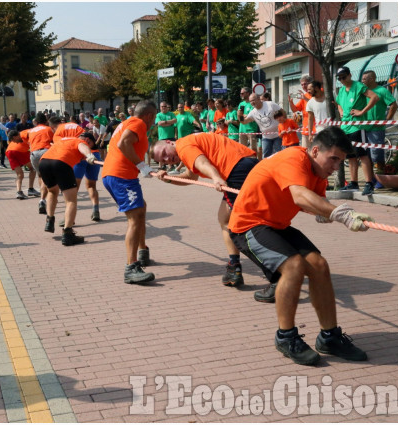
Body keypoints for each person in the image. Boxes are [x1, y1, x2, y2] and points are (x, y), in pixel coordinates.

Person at [228, 127, 373, 365]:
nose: (336, 166)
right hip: (249, 224)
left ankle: (329, 337)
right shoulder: (293, 158)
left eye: (341, 162)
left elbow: (312, 202)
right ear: (315, 150)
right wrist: (341, 214)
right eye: (333, 159)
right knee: (293, 267)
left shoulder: (318, 172)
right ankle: (286, 337)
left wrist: (323, 212)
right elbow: (299, 195)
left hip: (276, 224)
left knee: (319, 265)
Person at [153, 133, 258, 286]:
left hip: (236, 170)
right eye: (163, 161)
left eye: (164, 153)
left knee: (239, 222)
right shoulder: (187, 146)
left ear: (169, 142)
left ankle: (270, 267)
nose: (168, 159)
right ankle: (234, 266)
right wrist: (169, 179)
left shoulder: (183, 146)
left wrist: (215, 177)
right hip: (247, 163)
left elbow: (202, 163)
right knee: (225, 218)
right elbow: (191, 177)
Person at [101, 100, 158, 284]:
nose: (153, 122)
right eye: (154, 118)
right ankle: (131, 267)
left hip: (119, 175)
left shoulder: (125, 123)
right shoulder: (138, 123)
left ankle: (142, 251)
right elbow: (124, 143)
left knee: (141, 208)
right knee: (134, 218)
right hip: (121, 176)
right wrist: (141, 165)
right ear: (149, 116)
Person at [39, 132, 96, 246]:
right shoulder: (80, 141)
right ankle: (67, 234)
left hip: (44, 162)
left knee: (52, 191)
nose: (90, 146)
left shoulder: (63, 141)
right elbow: (82, 147)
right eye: (91, 144)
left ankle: (49, 220)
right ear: (87, 140)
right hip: (61, 163)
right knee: (71, 200)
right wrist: (89, 155)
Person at [335, 66, 379, 196]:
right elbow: (338, 103)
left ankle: (369, 183)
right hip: (345, 128)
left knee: (363, 154)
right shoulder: (342, 91)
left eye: (344, 77)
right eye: (340, 78)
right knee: (350, 156)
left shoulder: (359, 86)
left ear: (350, 75)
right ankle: (353, 183)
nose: (342, 80)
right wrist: (341, 111)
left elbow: (374, 97)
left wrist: (362, 111)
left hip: (358, 127)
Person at [361, 70, 397, 187]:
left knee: (377, 155)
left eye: (364, 79)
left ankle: (381, 178)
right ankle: (371, 179)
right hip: (363, 128)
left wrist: (386, 120)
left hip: (376, 128)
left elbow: (393, 104)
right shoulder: (364, 92)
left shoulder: (382, 91)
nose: (362, 81)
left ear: (372, 79)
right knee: (367, 156)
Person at [5, 130, 34, 199]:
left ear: (15, 136)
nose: (13, 142)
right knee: (33, 168)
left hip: (9, 152)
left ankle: (19, 192)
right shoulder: (23, 134)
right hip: (19, 151)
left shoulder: (24, 133)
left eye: (13, 140)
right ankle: (31, 189)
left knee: (20, 174)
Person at [288, 75, 312, 147]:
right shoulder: (304, 96)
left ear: (311, 83)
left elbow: (317, 105)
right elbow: (295, 110)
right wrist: (290, 102)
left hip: (316, 129)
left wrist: (305, 98)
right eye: (302, 84)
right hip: (305, 129)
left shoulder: (319, 92)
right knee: (305, 151)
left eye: (305, 84)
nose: (303, 86)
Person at [237, 87, 261, 157]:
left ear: (247, 93)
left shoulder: (252, 104)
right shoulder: (241, 104)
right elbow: (239, 118)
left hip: (251, 130)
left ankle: (253, 163)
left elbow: (252, 116)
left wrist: (243, 115)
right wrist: (242, 115)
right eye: (240, 93)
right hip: (242, 130)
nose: (241, 95)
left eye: (242, 93)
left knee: (253, 149)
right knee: (242, 149)